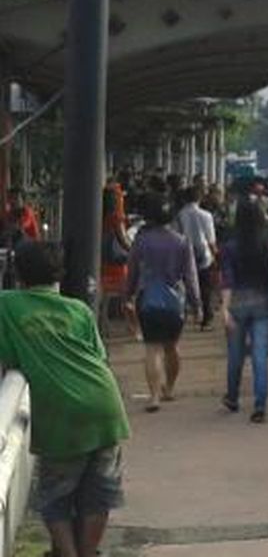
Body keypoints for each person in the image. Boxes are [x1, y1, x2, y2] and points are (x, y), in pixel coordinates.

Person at [0, 242, 130, 557]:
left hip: (62, 414)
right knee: (100, 495)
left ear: (18, 276)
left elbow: (10, 361)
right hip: (106, 406)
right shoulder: (79, 310)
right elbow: (98, 357)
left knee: (54, 496)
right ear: (60, 274)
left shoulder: (6, 305)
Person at [128, 193, 201, 412]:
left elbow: (131, 272)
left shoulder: (141, 241)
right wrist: (197, 305)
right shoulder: (181, 241)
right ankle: (169, 388)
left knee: (152, 349)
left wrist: (127, 295)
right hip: (174, 303)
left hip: (147, 299)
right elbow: (191, 276)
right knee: (171, 347)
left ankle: (154, 396)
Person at [220, 199, 268, 422]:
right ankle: (260, 405)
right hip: (264, 303)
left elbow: (227, 280)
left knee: (235, 355)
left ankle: (233, 397)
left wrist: (224, 310)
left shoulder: (230, 246)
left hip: (237, 304)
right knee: (260, 355)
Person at [101, 179, 139, 340]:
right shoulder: (117, 216)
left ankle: (104, 327)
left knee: (105, 298)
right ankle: (134, 328)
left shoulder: (99, 213)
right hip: (118, 263)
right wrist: (135, 250)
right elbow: (123, 240)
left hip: (104, 261)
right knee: (128, 296)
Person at [177, 185, 218, 328]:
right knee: (205, 287)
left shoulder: (180, 214)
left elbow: (178, 234)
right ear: (200, 198)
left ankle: (189, 313)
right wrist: (216, 256)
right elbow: (211, 239)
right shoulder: (206, 215)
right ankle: (205, 319)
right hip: (203, 254)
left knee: (187, 285)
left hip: (185, 252)